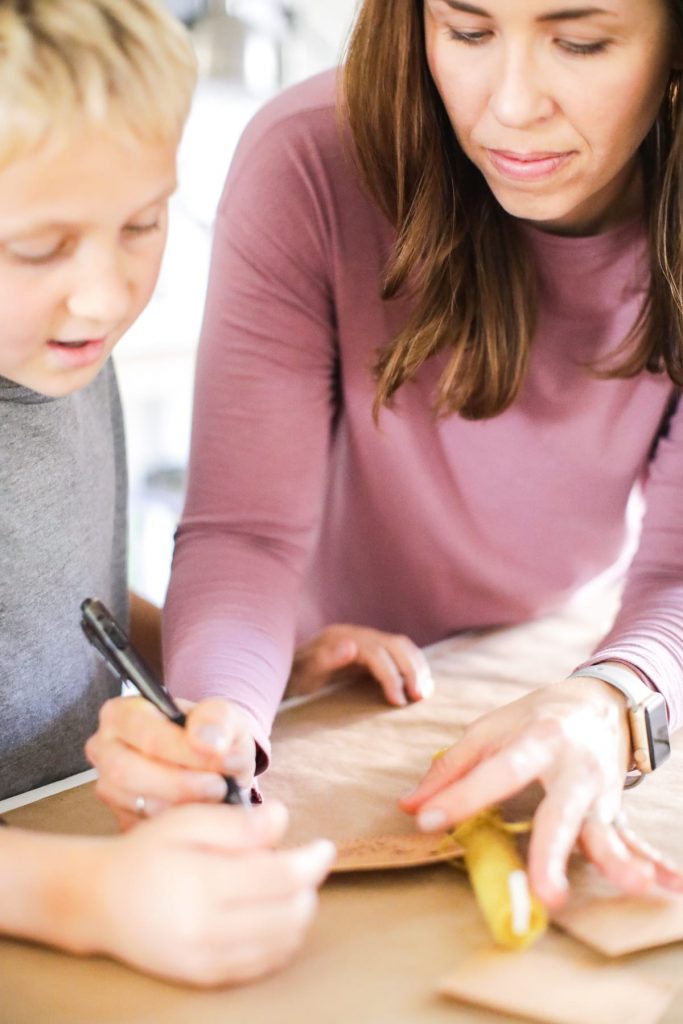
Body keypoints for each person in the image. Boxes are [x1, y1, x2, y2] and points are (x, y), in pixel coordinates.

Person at [88, 0, 683, 908]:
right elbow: (245, 534)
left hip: (564, 643)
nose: (511, 106)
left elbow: (675, 567)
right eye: (467, 32)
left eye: (579, 43)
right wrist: (215, 731)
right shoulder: (308, 159)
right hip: (313, 677)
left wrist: (616, 700)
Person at [0, 0, 334, 988]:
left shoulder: (63, 354)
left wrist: (268, 662)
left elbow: (63, 613)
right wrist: (84, 899)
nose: (103, 294)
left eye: (141, 223)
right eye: (38, 248)